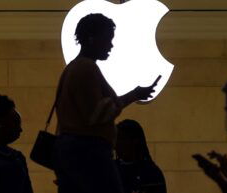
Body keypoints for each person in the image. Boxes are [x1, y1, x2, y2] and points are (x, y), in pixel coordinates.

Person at [52, 13, 160, 193]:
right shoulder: (86, 68)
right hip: (89, 153)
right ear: (92, 39)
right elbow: (97, 114)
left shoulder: (73, 68)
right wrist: (133, 95)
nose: (110, 45)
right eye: (107, 39)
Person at [115, 119, 167, 193]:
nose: (117, 145)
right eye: (116, 139)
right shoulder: (112, 170)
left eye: (122, 139)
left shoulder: (151, 173)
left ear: (135, 141)